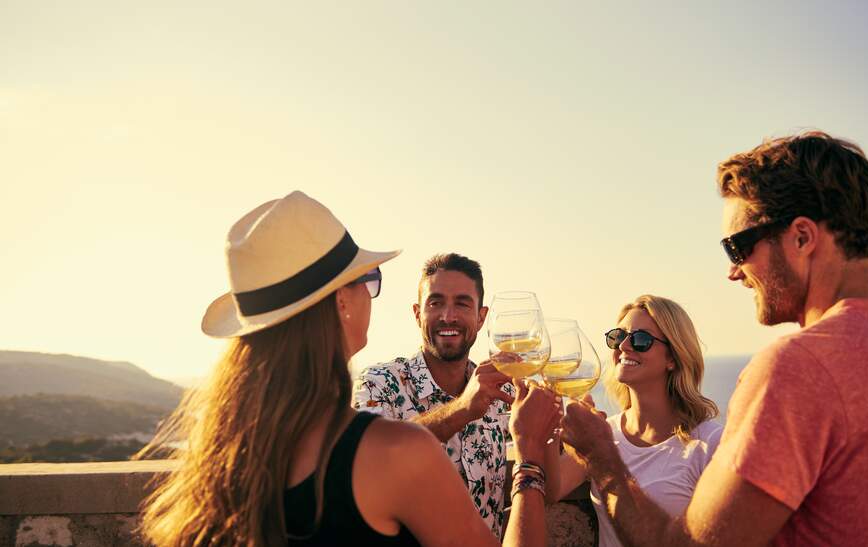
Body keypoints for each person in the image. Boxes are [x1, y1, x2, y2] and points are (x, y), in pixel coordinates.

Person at [137, 191, 561, 547]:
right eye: (369, 278)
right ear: (342, 301)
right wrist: (527, 458)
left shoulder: (228, 453)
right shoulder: (394, 451)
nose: (370, 295)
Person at [560, 131, 868, 546]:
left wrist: (603, 458)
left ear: (802, 237)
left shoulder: (797, 368)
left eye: (737, 247)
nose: (733, 272)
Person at [352, 253, 515, 536]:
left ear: (481, 317)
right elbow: (369, 459)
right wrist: (463, 408)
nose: (447, 316)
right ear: (418, 314)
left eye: (462, 304)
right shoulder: (379, 383)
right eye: (435, 303)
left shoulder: (502, 391)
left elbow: (544, 472)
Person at [545, 295, 721, 547]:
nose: (624, 346)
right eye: (618, 336)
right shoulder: (603, 434)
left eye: (641, 340)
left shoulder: (709, 444)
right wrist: (544, 428)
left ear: (673, 358)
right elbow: (551, 489)